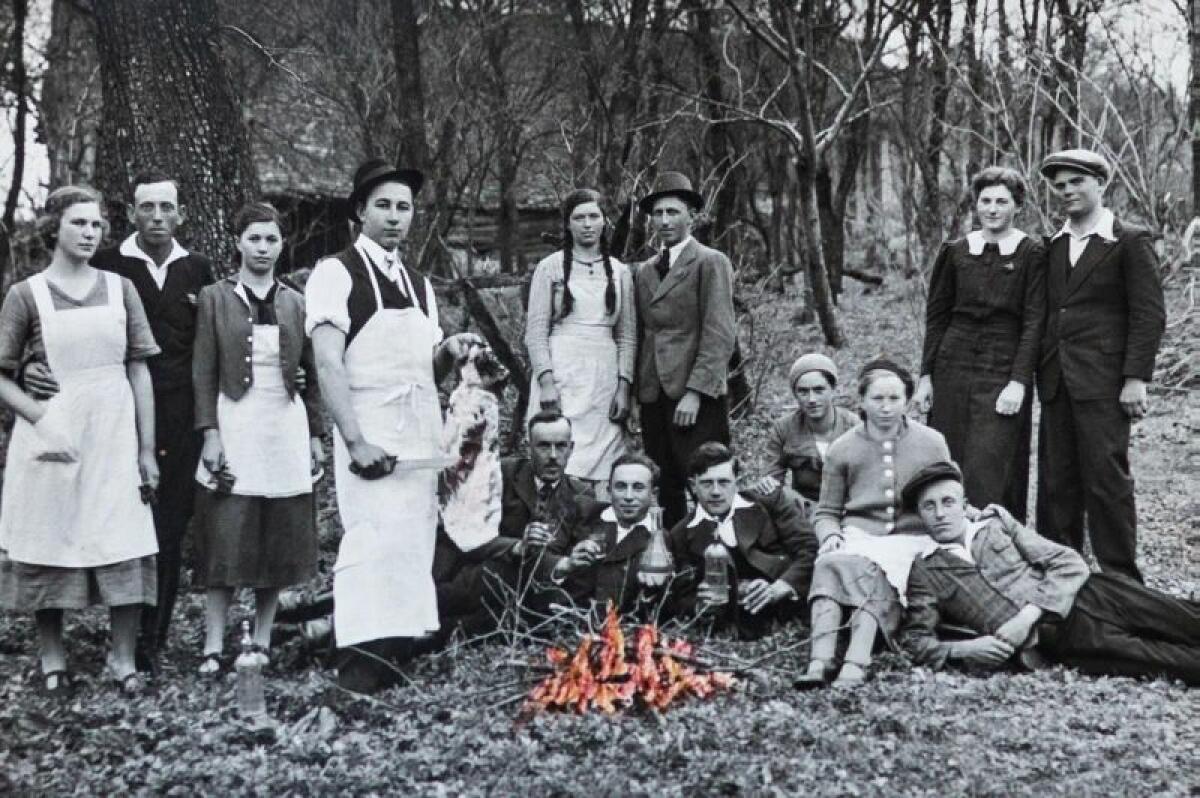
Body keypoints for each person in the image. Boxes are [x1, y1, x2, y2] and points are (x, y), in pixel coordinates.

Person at [24, 171, 216, 669]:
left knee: (168, 528)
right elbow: (52, 324)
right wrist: (30, 364)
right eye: (146, 207)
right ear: (130, 215)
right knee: (100, 521)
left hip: (178, 416)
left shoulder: (198, 268)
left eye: (166, 208)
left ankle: (150, 642)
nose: (157, 217)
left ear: (181, 214)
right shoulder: (107, 264)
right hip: (108, 416)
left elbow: (218, 340)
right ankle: (95, 641)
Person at [305, 158, 479, 693]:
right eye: (383, 205)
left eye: (403, 207)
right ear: (360, 212)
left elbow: (424, 366)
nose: (395, 217)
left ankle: (398, 650)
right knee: (369, 540)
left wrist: (449, 350)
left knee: (412, 538)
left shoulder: (419, 283)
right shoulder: (335, 272)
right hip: (370, 428)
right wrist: (355, 439)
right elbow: (328, 362)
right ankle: (359, 659)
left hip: (418, 430)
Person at [0, 186, 161, 695]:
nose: (90, 233)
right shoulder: (27, 294)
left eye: (96, 225)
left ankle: (122, 659)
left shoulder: (120, 289)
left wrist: (144, 449)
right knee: (50, 537)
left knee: (123, 537)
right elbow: (2, 374)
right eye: (79, 224)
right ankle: (52, 659)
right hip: (53, 435)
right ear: (55, 229)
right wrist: (38, 417)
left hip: (114, 433)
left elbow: (139, 370)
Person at [901, 461, 1200, 686]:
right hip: (1060, 639)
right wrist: (964, 649)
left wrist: (1025, 617)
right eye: (929, 506)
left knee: (1184, 619)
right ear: (920, 515)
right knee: (1171, 662)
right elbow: (915, 641)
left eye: (948, 502)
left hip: (1093, 593)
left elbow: (1069, 563)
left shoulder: (995, 523)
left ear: (965, 506)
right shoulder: (925, 570)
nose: (940, 514)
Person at [191, 202, 324, 674]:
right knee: (227, 535)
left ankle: (263, 638)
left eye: (271, 240)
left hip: (283, 424)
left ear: (282, 244)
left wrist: (313, 435)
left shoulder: (295, 301)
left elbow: (309, 373)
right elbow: (203, 370)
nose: (263, 249)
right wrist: (210, 433)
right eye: (254, 239)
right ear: (238, 243)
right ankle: (212, 644)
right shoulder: (214, 297)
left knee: (277, 535)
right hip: (236, 422)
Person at [1035, 150, 1166, 583]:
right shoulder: (1053, 245)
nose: (1068, 191)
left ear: (1100, 184)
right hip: (1056, 383)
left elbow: (1148, 315)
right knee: (1057, 485)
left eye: (1077, 182)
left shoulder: (1128, 240)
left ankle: (1122, 583)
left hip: (1105, 384)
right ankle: (1061, 577)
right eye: (1060, 185)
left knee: (1107, 483)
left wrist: (1135, 378)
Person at [795, 359, 950, 689]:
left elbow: (951, 492)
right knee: (830, 563)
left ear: (906, 400)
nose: (886, 408)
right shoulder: (843, 448)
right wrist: (831, 536)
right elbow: (826, 511)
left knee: (871, 571)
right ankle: (820, 659)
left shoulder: (932, 441)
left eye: (894, 399)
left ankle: (856, 659)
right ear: (861, 401)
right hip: (861, 534)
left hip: (913, 538)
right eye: (877, 399)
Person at [913, 167, 1045, 520]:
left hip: (1003, 367)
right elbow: (937, 316)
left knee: (992, 460)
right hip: (952, 362)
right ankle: (946, 545)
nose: (992, 209)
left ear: (1018, 205)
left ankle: (995, 544)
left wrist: (1018, 381)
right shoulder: (955, 251)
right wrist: (926, 377)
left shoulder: (1032, 253)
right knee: (946, 454)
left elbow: (1034, 322)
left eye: (1002, 201)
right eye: (985, 200)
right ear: (975, 204)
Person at [632, 172, 736, 527]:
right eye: (657, 214)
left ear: (691, 215)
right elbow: (644, 333)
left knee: (708, 479)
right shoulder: (644, 270)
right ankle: (671, 559)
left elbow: (719, 332)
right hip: (653, 392)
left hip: (694, 393)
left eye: (673, 212)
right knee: (666, 483)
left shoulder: (709, 262)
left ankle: (718, 553)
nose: (664, 221)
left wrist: (695, 392)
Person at [434, 411, 599, 633]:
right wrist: (517, 546)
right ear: (528, 447)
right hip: (479, 577)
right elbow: (464, 532)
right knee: (497, 573)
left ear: (571, 449)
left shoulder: (581, 496)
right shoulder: (500, 475)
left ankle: (444, 633)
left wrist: (577, 556)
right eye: (543, 446)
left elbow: (575, 565)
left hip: (534, 591)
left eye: (561, 446)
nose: (553, 456)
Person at [524, 189, 636, 496]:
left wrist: (624, 388)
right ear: (568, 225)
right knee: (559, 452)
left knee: (605, 457)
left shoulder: (621, 272)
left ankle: (599, 528)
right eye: (579, 218)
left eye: (593, 216)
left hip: (604, 376)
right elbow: (535, 332)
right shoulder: (550, 267)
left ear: (605, 222)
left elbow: (627, 337)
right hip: (563, 370)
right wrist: (546, 381)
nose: (587, 224)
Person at [666, 442, 816, 638]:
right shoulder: (681, 533)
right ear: (693, 486)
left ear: (736, 481)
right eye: (707, 483)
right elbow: (682, 595)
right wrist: (701, 602)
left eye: (724, 482)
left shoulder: (768, 502)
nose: (716, 492)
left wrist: (781, 587)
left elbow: (809, 548)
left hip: (787, 611)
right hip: (731, 624)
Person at [548, 453, 663, 617]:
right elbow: (541, 562)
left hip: (623, 633)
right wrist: (566, 565)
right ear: (609, 490)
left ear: (653, 494)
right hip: (567, 622)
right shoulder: (583, 515)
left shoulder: (660, 540)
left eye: (638, 487)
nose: (628, 496)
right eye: (621, 487)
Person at [763, 353, 859, 505]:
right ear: (795, 394)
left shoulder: (854, 426)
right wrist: (768, 484)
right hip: (803, 509)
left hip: (849, 508)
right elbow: (772, 479)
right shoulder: (784, 428)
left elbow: (870, 479)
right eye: (803, 391)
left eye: (819, 390)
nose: (812, 399)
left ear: (833, 389)